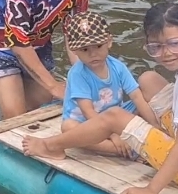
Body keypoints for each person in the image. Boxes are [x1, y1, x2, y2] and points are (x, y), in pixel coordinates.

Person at [22, 2, 178, 194]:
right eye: (156, 47)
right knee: (149, 79)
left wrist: (150, 191)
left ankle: (51, 146)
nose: (166, 54)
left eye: (174, 44)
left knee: (114, 115)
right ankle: (124, 140)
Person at [61, 10, 160, 157]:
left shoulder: (117, 67)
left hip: (114, 115)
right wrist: (113, 133)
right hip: (87, 122)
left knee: (145, 99)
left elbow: (137, 97)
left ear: (109, 42)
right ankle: (121, 149)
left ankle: (147, 136)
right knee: (68, 127)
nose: (93, 54)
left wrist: (155, 125)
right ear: (75, 50)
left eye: (98, 46)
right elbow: (88, 112)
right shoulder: (77, 74)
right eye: (85, 49)